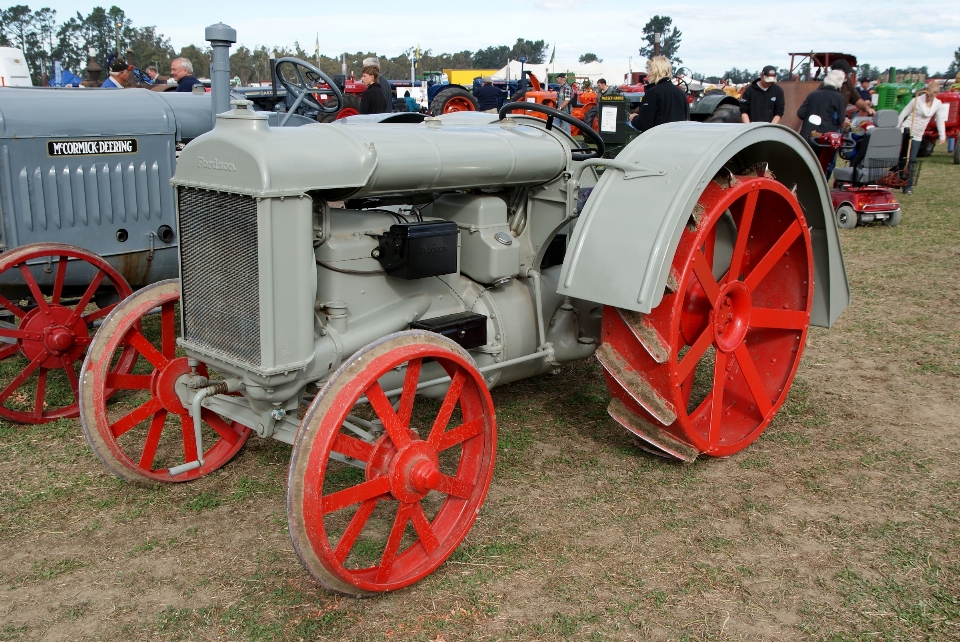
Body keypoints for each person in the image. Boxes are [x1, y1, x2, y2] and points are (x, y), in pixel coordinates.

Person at [897, 82, 947, 194]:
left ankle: (907, 186)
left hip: (918, 134)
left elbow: (940, 119)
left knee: (912, 160)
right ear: (925, 91)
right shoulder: (917, 100)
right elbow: (903, 113)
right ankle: (897, 179)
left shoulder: (938, 104)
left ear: (936, 94)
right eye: (928, 94)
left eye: (932, 95)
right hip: (906, 131)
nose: (929, 97)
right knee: (902, 158)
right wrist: (896, 128)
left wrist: (942, 135)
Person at [630, 56, 689, 132]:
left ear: (654, 71)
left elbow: (644, 124)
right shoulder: (680, 93)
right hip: (677, 139)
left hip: (658, 139)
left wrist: (634, 118)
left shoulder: (653, 92)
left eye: (649, 70)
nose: (647, 75)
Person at [797, 69, 847, 141]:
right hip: (826, 138)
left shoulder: (813, 94)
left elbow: (800, 113)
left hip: (807, 135)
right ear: (840, 82)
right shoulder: (838, 97)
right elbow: (841, 120)